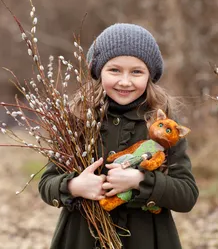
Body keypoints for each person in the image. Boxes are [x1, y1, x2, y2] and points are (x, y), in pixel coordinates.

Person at [38, 23, 199, 249]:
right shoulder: (76, 121)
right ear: (98, 72)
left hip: (146, 239)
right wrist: (75, 186)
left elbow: (187, 195)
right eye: (114, 70)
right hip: (82, 238)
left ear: (149, 76)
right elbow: (47, 184)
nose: (125, 81)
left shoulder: (164, 128)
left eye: (136, 71)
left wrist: (140, 181)